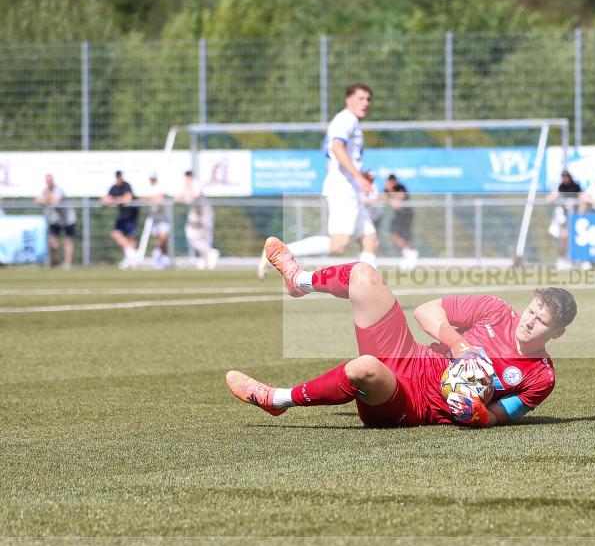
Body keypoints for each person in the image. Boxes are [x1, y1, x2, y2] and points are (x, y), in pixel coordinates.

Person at [228, 236, 577, 428]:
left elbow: (502, 414)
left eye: (541, 322)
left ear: (557, 333)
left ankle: (276, 399)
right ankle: (299, 280)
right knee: (364, 274)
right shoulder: (496, 310)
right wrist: (457, 342)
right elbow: (426, 311)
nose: (529, 321)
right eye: (532, 311)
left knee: (365, 368)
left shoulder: (541, 377)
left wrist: (480, 415)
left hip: (413, 404)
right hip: (410, 354)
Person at [257, 83, 378, 280]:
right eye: (360, 98)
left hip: (350, 186)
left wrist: (360, 175)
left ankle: (369, 287)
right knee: (338, 245)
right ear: (348, 99)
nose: (365, 103)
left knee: (370, 241)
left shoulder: (350, 121)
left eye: (368, 99)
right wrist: (358, 176)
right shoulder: (346, 119)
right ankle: (279, 253)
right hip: (343, 188)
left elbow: (338, 155)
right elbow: (337, 148)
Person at [175, 170, 219, 270]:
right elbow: (177, 199)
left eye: (189, 176)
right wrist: (184, 189)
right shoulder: (183, 185)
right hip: (194, 211)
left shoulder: (196, 184)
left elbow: (195, 197)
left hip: (204, 211)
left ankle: (204, 259)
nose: (188, 178)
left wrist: (188, 187)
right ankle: (209, 253)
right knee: (191, 235)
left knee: (206, 237)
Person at [34, 173, 76, 269]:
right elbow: (36, 201)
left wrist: (47, 197)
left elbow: (56, 201)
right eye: (47, 181)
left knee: (68, 240)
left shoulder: (58, 189)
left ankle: (67, 263)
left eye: (50, 181)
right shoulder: (44, 190)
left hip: (67, 218)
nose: (48, 183)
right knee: (52, 241)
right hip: (55, 220)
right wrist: (46, 199)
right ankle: (56, 261)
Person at [100, 170, 139, 269]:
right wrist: (111, 200)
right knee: (116, 234)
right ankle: (131, 256)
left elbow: (128, 199)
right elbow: (105, 200)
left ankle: (131, 260)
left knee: (131, 237)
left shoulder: (127, 186)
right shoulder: (114, 188)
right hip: (122, 216)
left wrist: (115, 200)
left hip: (131, 215)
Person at [546, 170, 582, 270]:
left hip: (575, 216)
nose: (565, 179)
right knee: (564, 237)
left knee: (576, 239)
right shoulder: (561, 186)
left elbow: (582, 198)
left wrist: (580, 212)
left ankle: (578, 260)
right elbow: (552, 196)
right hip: (565, 216)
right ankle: (563, 259)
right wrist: (550, 198)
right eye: (563, 177)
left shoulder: (576, 187)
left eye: (566, 177)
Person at [384, 174, 418, 271]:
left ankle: (409, 254)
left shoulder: (400, 187)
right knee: (394, 234)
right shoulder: (387, 190)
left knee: (404, 236)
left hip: (406, 215)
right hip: (398, 216)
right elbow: (384, 198)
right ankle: (408, 253)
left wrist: (389, 193)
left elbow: (400, 197)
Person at [144, 173, 172, 269]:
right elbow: (143, 197)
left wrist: (151, 198)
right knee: (159, 239)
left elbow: (160, 198)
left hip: (163, 217)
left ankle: (159, 254)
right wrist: (153, 198)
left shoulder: (161, 187)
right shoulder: (147, 188)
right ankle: (162, 257)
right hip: (154, 218)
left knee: (163, 238)